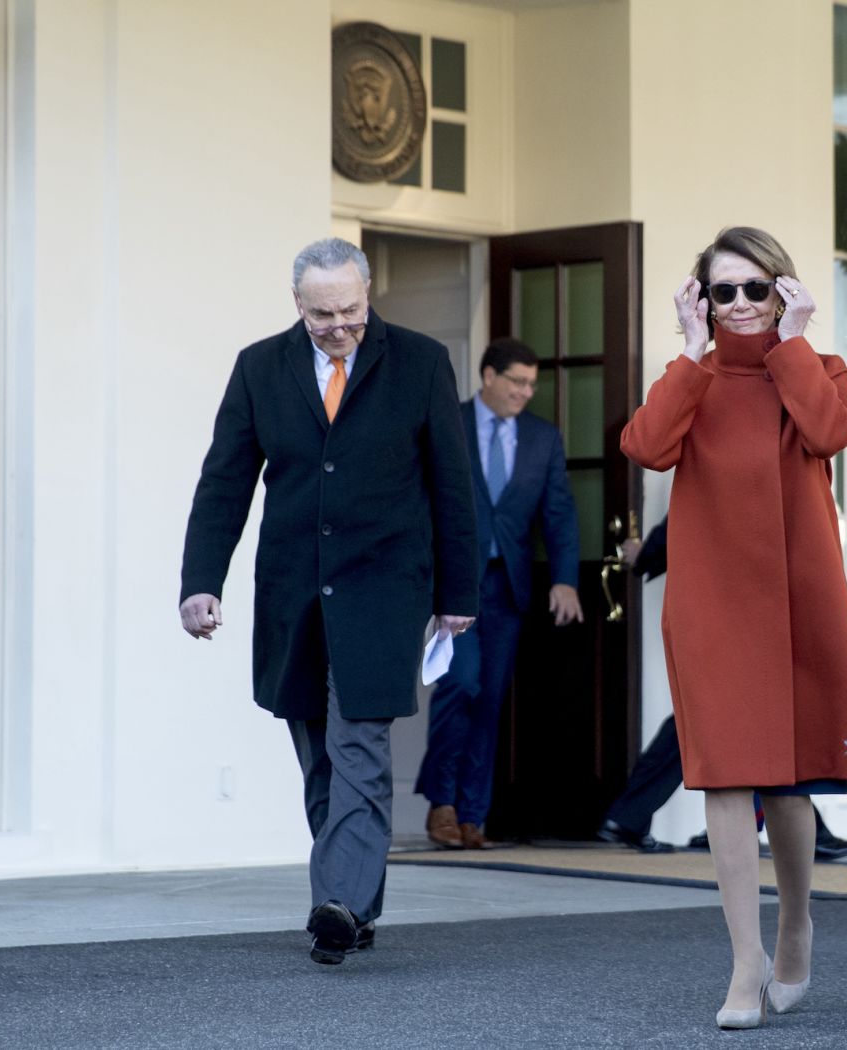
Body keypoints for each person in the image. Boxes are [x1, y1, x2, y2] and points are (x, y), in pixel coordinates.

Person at [179, 238, 478, 966]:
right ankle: (354, 903)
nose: (338, 325)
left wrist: (458, 592)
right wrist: (200, 582)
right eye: (322, 314)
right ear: (297, 305)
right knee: (317, 753)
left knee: (360, 744)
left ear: (367, 295)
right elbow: (225, 481)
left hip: (385, 588)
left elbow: (453, 483)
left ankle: (338, 903)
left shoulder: (419, 362)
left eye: (349, 310)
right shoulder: (259, 367)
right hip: (294, 591)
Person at [620, 227, 847, 1029]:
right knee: (724, 776)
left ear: (784, 292)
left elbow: (829, 433)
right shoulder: (688, 378)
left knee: (790, 780)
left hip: (798, 601)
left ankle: (795, 923)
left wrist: (792, 345)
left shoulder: (816, 370)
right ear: (701, 300)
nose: (739, 305)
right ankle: (744, 962)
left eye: (754, 289)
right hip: (714, 602)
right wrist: (692, 353)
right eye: (721, 291)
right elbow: (647, 446)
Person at [597, 518, 847, 861]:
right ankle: (773, 830)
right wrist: (648, 551)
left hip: (735, 599)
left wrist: (647, 553)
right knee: (735, 717)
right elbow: (697, 507)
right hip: (731, 603)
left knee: (721, 719)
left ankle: (634, 817)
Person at [416, 337, 583, 850]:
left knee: (488, 699)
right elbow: (423, 496)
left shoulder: (542, 439)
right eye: (516, 381)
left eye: (532, 384)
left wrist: (565, 578)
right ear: (488, 376)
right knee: (460, 684)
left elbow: (559, 514)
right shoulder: (448, 422)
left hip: (507, 586)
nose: (525, 392)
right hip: (454, 583)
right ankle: (440, 803)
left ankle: (473, 816)